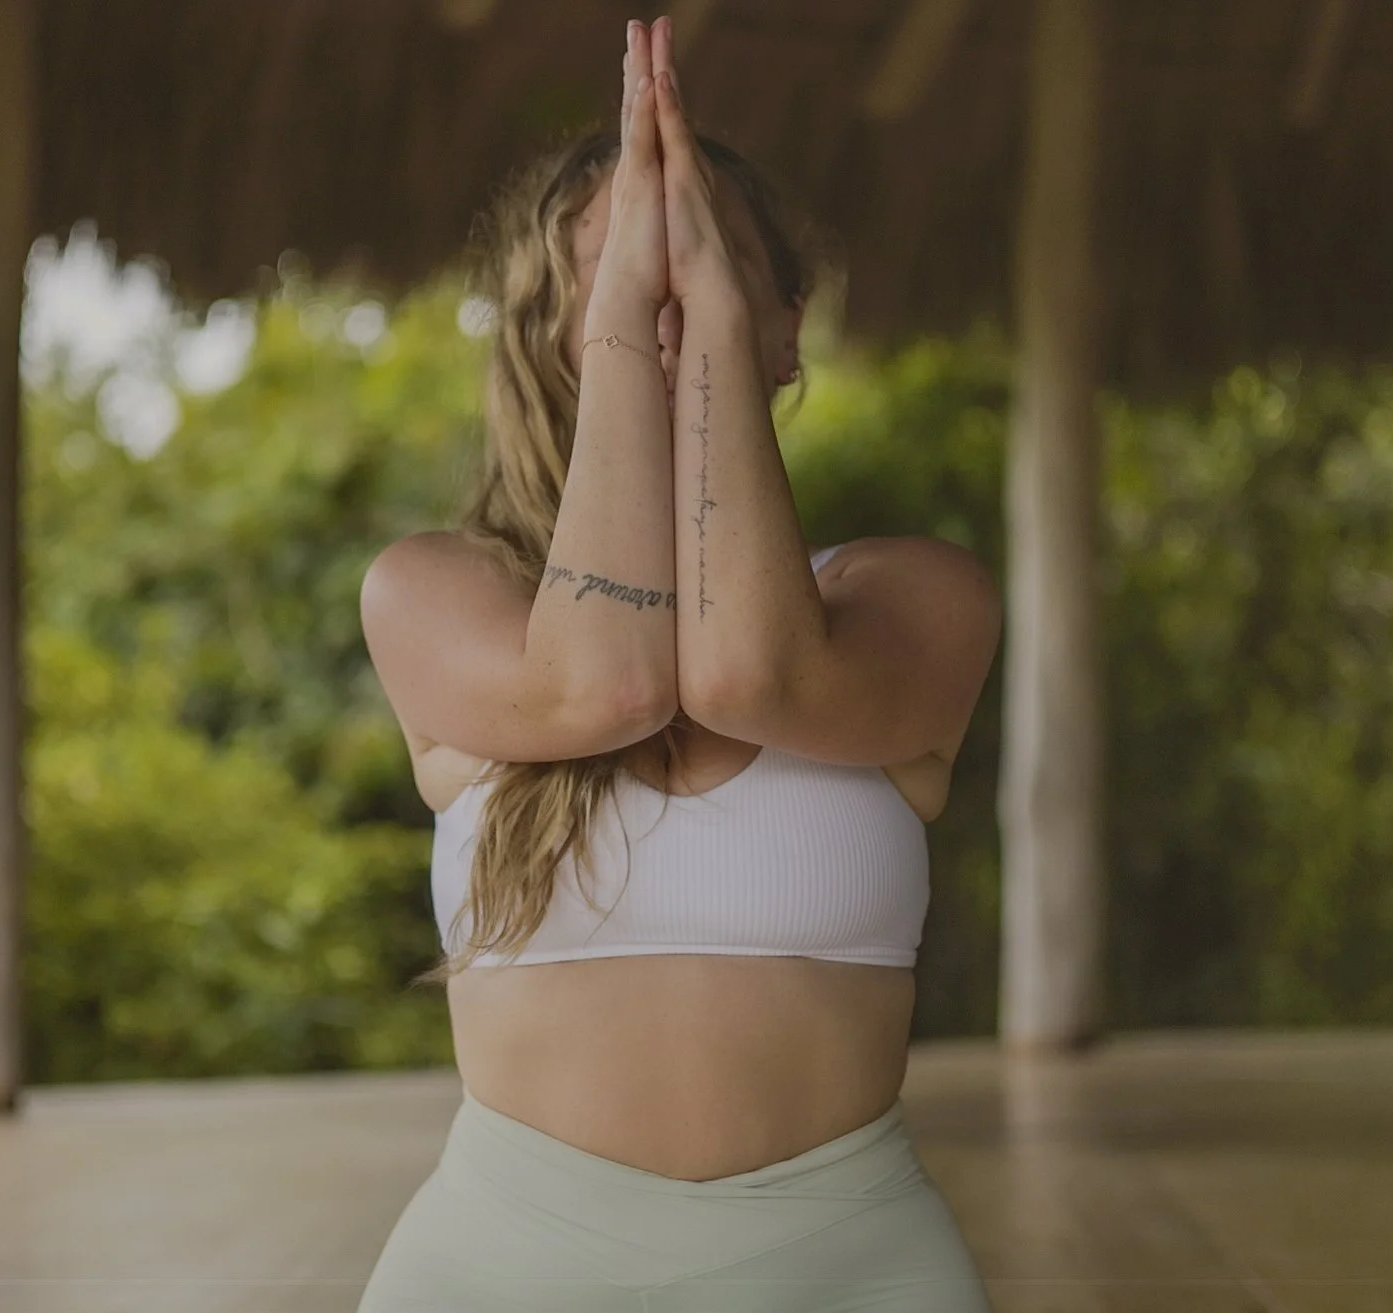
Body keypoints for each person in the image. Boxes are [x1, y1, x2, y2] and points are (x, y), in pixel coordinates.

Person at [355, 14, 1000, 1312]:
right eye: (612, 293)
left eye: (695, 275)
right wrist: (635, 340)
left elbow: (750, 678)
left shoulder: (908, 599)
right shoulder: (437, 595)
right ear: (555, 336)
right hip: (500, 1266)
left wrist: (708, 323)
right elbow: (604, 685)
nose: (656, 309)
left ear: (787, 329)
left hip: (851, 1267)